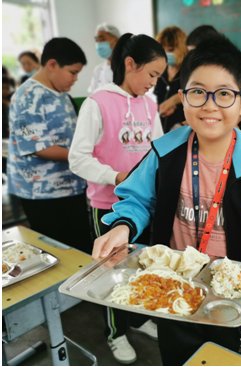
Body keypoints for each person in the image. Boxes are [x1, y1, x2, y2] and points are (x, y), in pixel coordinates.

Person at [92, 35, 241, 365]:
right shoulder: (165, 152)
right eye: (198, 92)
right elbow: (137, 198)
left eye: (225, 94)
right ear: (183, 98)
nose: (210, 105)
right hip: (175, 298)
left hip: (239, 305)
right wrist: (123, 227)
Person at [69, 33, 166, 364]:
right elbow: (77, 158)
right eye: (151, 74)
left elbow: (157, 152)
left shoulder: (149, 105)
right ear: (129, 64)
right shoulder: (97, 103)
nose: (154, 83)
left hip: (144, 206)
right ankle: (116, 332)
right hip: (108, 208)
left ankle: (138, 317)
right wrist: (116, 177)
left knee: (142, 266)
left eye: (158, 77)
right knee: (112, 273)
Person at [7, 38, 92, 253]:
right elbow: (38, 147)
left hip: (69, 185)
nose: (75, 79)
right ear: (52, 65)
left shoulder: (61, 93)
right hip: (43, 193)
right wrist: (85, 156)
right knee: (57, 251)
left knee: (79, 247)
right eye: (72, 72)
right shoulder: (28, 97)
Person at [154, 26, 188, 132]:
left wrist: (173, 101)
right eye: (162, 50)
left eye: (170, 50)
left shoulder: (189, 73)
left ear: (181, 48)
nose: (166, 54)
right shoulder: (159, 73)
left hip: (183, 133)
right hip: (161, 132)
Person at [87, 22, 120, 94]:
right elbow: (92, 96)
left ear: (117, 41)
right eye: (97, 40)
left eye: (102, 39)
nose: (99, 44)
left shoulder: (128, 68)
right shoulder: (98, 70)